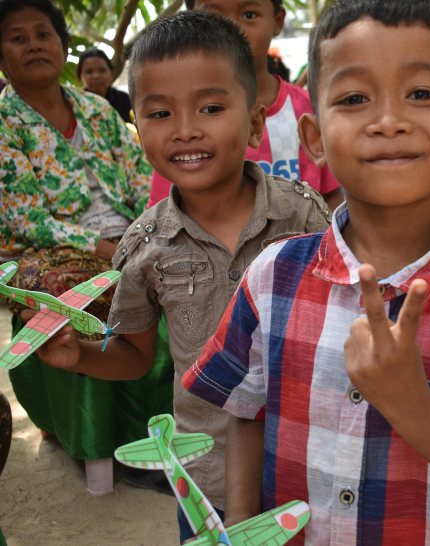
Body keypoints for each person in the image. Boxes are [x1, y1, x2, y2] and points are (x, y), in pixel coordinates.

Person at [183, 1, 430, 543]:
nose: (389, 121)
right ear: (315, 138)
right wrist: (242, 527)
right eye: (354, 99)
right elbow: (246, 414)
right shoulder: (272, 277)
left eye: (421, 93)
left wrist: (412, 405)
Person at [32, 10, 330, 542]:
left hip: (311, 471)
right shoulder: (144, 248)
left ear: (256, 122)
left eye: (211, 107)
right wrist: (78, 354)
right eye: (160, 113)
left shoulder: (304, 218)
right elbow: (135, 358)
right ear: (138, 125)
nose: (186, 129)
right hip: (205, 481)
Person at [0, 0, 167, 493]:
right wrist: (101, 247)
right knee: (82, 295)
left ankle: (176, 433)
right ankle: (108, 450)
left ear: (62, 46)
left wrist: (151, 227)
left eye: (43, 34)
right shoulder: (4, 121)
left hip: (127, 233)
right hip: (38, 251)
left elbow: (143, 178)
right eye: (17, 37)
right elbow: (21, 216)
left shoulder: (97, 108)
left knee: (194, 267)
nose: (33, 44)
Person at [147, 0, 343, 212]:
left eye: (249, 15)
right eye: (215, 17)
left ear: (277, 21)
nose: (232, 28)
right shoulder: (181, 127)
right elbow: (163, 210)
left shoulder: (309, 109)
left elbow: (332, 194)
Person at [76, 47, 132, 123]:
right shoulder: (75, 104)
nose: (96, 76)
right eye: (89, 72)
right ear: (80, 77)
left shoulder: (124, 100)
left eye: (102, 70)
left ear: (111, 73)